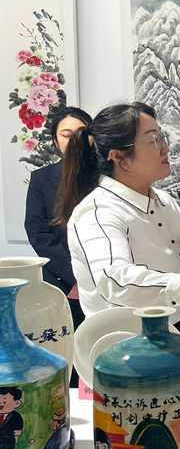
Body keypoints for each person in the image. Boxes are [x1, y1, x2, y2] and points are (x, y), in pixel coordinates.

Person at [55, 102, 180, 335]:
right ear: (119, 157)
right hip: (128, 341)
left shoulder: (165, 201)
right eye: (154, 140)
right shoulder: (98, 212)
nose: (166, 148)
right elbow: (114, 280)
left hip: (175, 329)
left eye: (162, 138)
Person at [25, 107, 94, 337]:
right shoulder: (41, 178)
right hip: (62, 280)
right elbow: (38, 232)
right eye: (66, 134)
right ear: (55, 141)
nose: (75, 140)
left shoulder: (108, 175)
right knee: (67, 344)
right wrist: (77, 275)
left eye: (82, 133)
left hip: (106, 279)